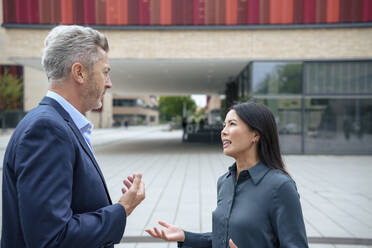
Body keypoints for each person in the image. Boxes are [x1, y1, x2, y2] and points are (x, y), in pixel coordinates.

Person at [1, 25, 145, 248]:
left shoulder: (56, 124)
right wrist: (122, 209)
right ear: (79, 72)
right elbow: (51, 239)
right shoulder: (48, 130)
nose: (109, 82)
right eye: (105, 72)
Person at [146, 102, 308, 248]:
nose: (223, 131)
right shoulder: (225, 181)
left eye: (232, 124)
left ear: (255, 135)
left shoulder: (280, 186)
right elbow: (224, 238)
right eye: (224, 125)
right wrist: (186, 236)